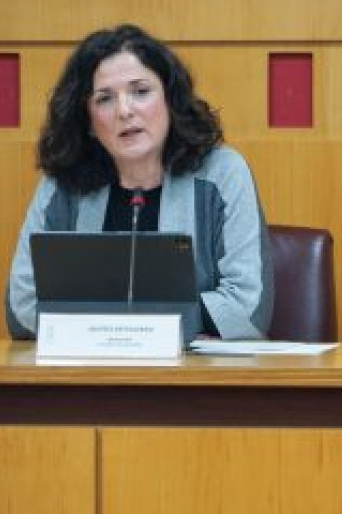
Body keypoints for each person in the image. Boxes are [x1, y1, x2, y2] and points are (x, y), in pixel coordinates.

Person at [5, 23, 274, 340]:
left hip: (194, 381)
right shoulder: (64, 182)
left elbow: (248, 309)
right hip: (88, 379)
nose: (124, 111)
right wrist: (161, 319)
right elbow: (22, 307)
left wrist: (109, 320)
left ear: (170, 102)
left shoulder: (222, 174)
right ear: (89, 121)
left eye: (141, 92)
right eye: (104, 99)